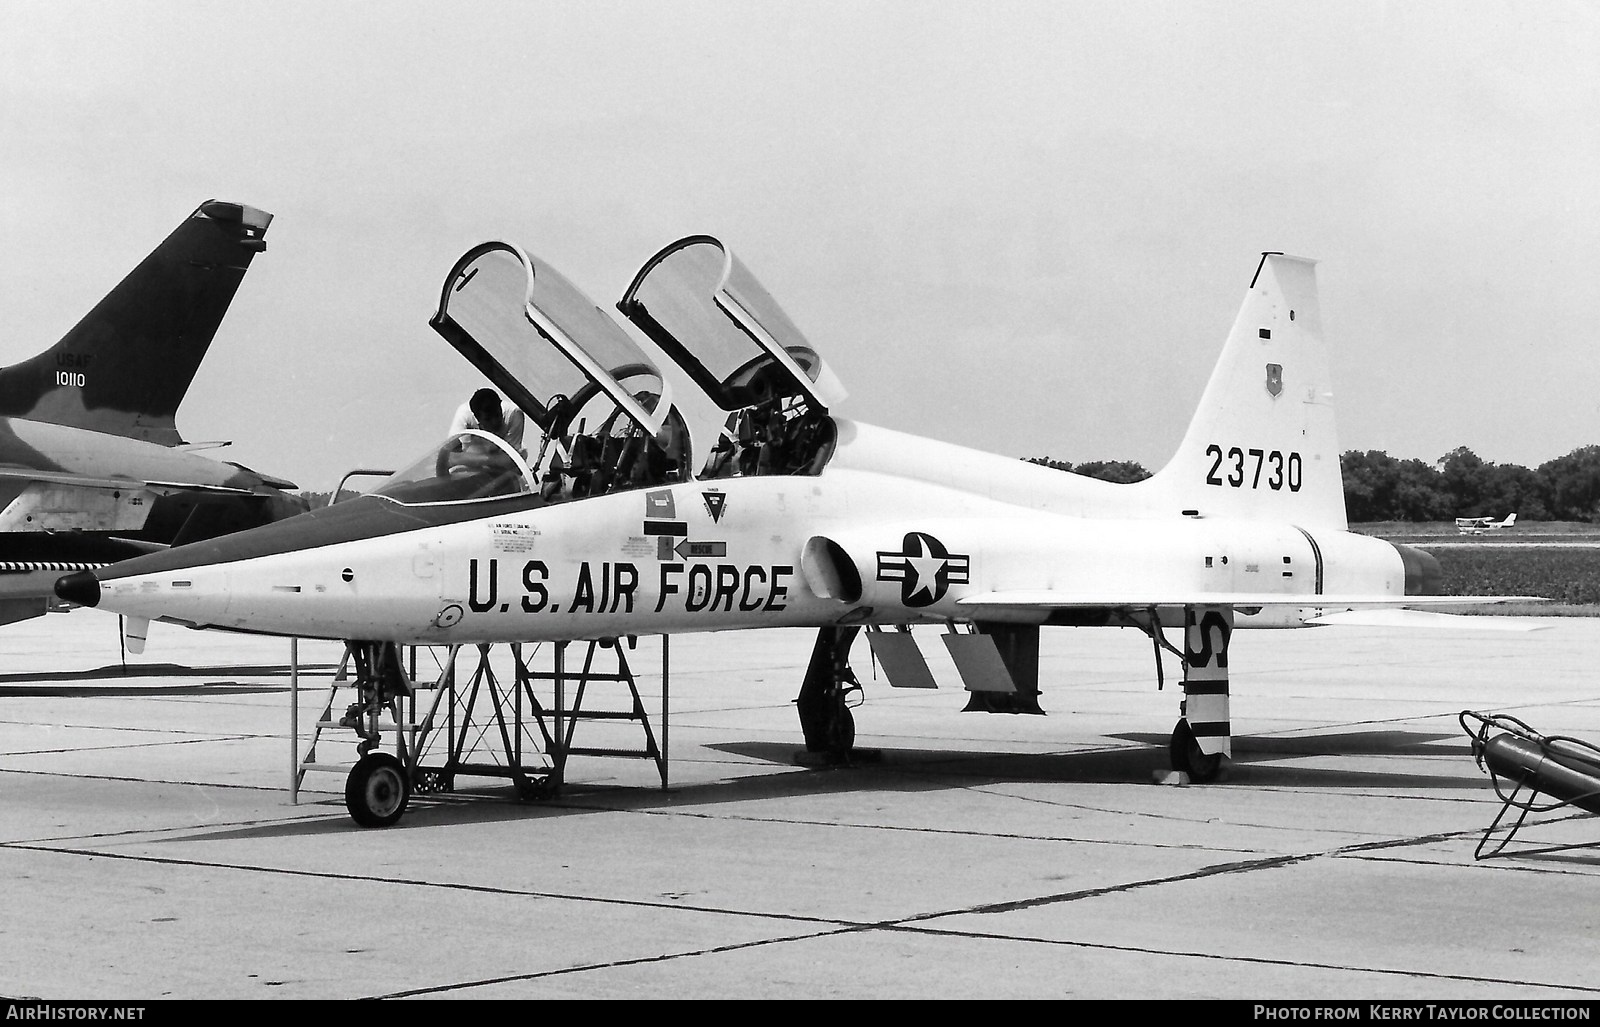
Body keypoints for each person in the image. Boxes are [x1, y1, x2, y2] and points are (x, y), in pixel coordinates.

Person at [449, 388, 526, 454]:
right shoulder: (464, 415)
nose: (495, 422)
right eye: (488, 419)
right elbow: (451, 452)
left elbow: (510, 459)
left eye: (497, 415)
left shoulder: (513, 413)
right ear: (476, 417)